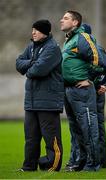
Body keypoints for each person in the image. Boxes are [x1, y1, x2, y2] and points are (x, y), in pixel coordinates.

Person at [16, 19, 64, 172]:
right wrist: (33, 62)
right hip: (31, 102)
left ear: (45, 32)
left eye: (36, 30)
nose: (33, 32)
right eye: (33, 30)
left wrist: (29, 67)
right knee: (31, 138)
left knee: (52, 139)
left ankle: (53, 166)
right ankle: (29, 166)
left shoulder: (53, 48)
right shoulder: (31, 47)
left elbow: (38, 71)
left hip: (48, 102)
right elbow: (18, 63)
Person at [64, 23, 106, 170]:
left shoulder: (96, 48)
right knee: (85, 126)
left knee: (95, 126)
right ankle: (80, 158)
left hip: (94, 91)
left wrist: (100, 83)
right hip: (90, 89)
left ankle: (99, 160)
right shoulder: (82, 48)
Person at [60, 10, 100, 171]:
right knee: (75, 128)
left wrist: (90, 79)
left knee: (88, 127)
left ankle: (93, 163)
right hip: (69, 89)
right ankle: (79, 162)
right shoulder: (69, 40)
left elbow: (98, 60)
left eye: (66, 18)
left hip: (82, 90)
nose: (61, 20)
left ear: (75, 22)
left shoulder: (83, 37)